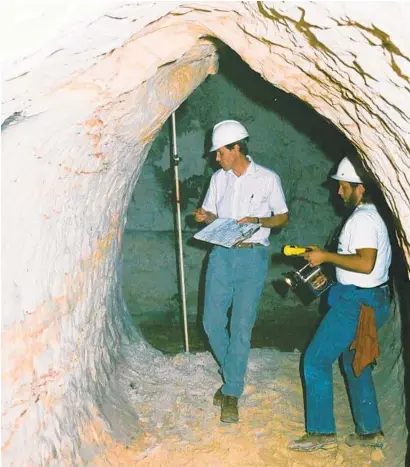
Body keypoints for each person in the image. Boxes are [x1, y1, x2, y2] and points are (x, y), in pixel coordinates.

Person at [288, 157, 392, 451]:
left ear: (358, 187)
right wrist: (324, 256)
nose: (338, 192)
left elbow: (366, 262)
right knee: (354, 360)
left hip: (356, 303)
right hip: (372, 299)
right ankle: (370, 432)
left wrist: (327, 258)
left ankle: (321, 433)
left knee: (315, 360)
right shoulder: (374, 215)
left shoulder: (361, 219)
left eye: (342, 186)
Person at [194, 120, 289, 423]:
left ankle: (232, 391)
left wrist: (259, 221)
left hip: (252, 257)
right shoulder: (218, 179)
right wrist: (204, 216)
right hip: (221, 254)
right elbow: (212, 213)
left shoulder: (267, 179)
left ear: (237, 149)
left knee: (241, 327)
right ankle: (235, 374)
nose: (216, 158)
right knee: (211, 323)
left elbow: (282, 216)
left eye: (220, 152)